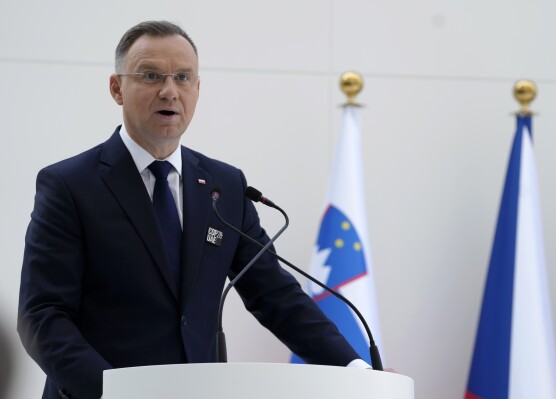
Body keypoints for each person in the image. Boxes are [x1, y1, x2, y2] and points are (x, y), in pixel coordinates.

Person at [17, 21, 368, 399]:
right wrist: (113, 392)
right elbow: (42, 315)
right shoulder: (69, 185)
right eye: (151, 75)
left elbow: (276, 295)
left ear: (197, 89)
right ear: (117, 88)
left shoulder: (225, 187)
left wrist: (356, 369)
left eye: (183, 78)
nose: (170, 91)